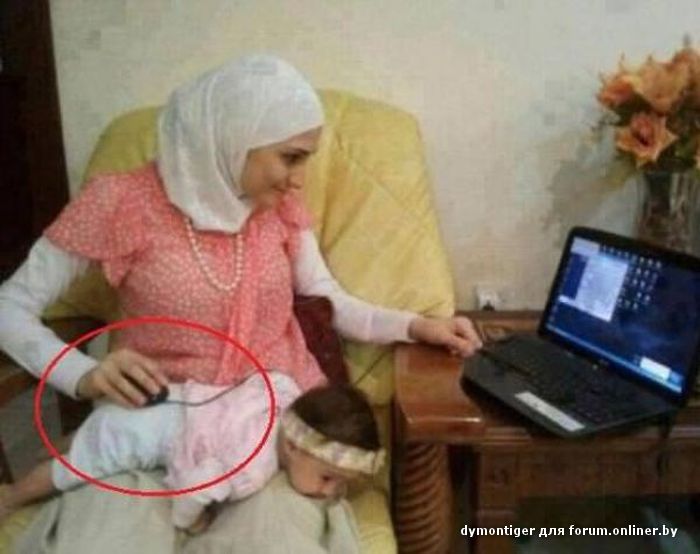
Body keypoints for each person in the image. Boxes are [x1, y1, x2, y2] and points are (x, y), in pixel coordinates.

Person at [0, 53, 482, 539]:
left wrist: (416, 325)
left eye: (306, 159)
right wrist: (80, 374)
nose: (299, 179)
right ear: (232, 138)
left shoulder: (280, 206)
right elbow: (8, 308)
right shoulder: (119, 200)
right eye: (290, 157)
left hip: (268, 435)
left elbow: (326, 297)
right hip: (153, 424)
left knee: (274, 539)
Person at [0, 378, 384, 540]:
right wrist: (191, 521)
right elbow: (191, 489)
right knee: (80, 465)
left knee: (95, 431)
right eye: (328, 477)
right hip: (141, 434)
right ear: (296, 446)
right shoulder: (251, 467)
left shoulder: (283, 396)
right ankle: (13, 494)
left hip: (170, 399)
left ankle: (75, 437)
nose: (331, 491)